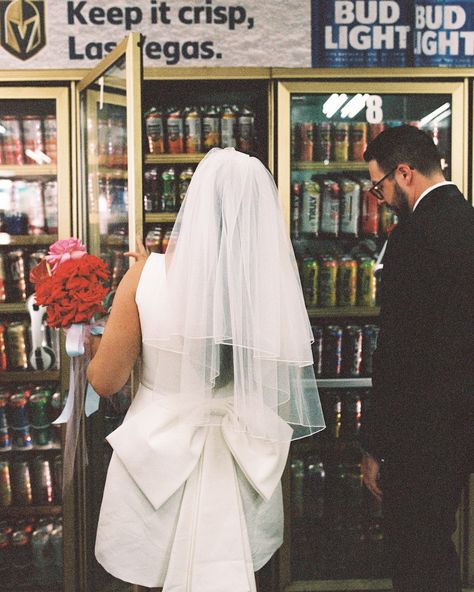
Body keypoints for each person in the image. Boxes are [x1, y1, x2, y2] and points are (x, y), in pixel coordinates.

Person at [87, 147, 325, 591]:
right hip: (243, 463)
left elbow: (106, 380)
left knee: (150, 578)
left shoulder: (146, 276)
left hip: (158, 472)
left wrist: (94, 340)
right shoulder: (274, 287)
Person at [359, 125, 474, 592]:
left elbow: (398, 351)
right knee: (436, 544)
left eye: (379, 185)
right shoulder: (468, 222)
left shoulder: (412, 238)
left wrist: (373, 443)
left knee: (416, 556)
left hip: (418, 432)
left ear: (403, 173)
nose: (380, 197)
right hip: (461, 426)